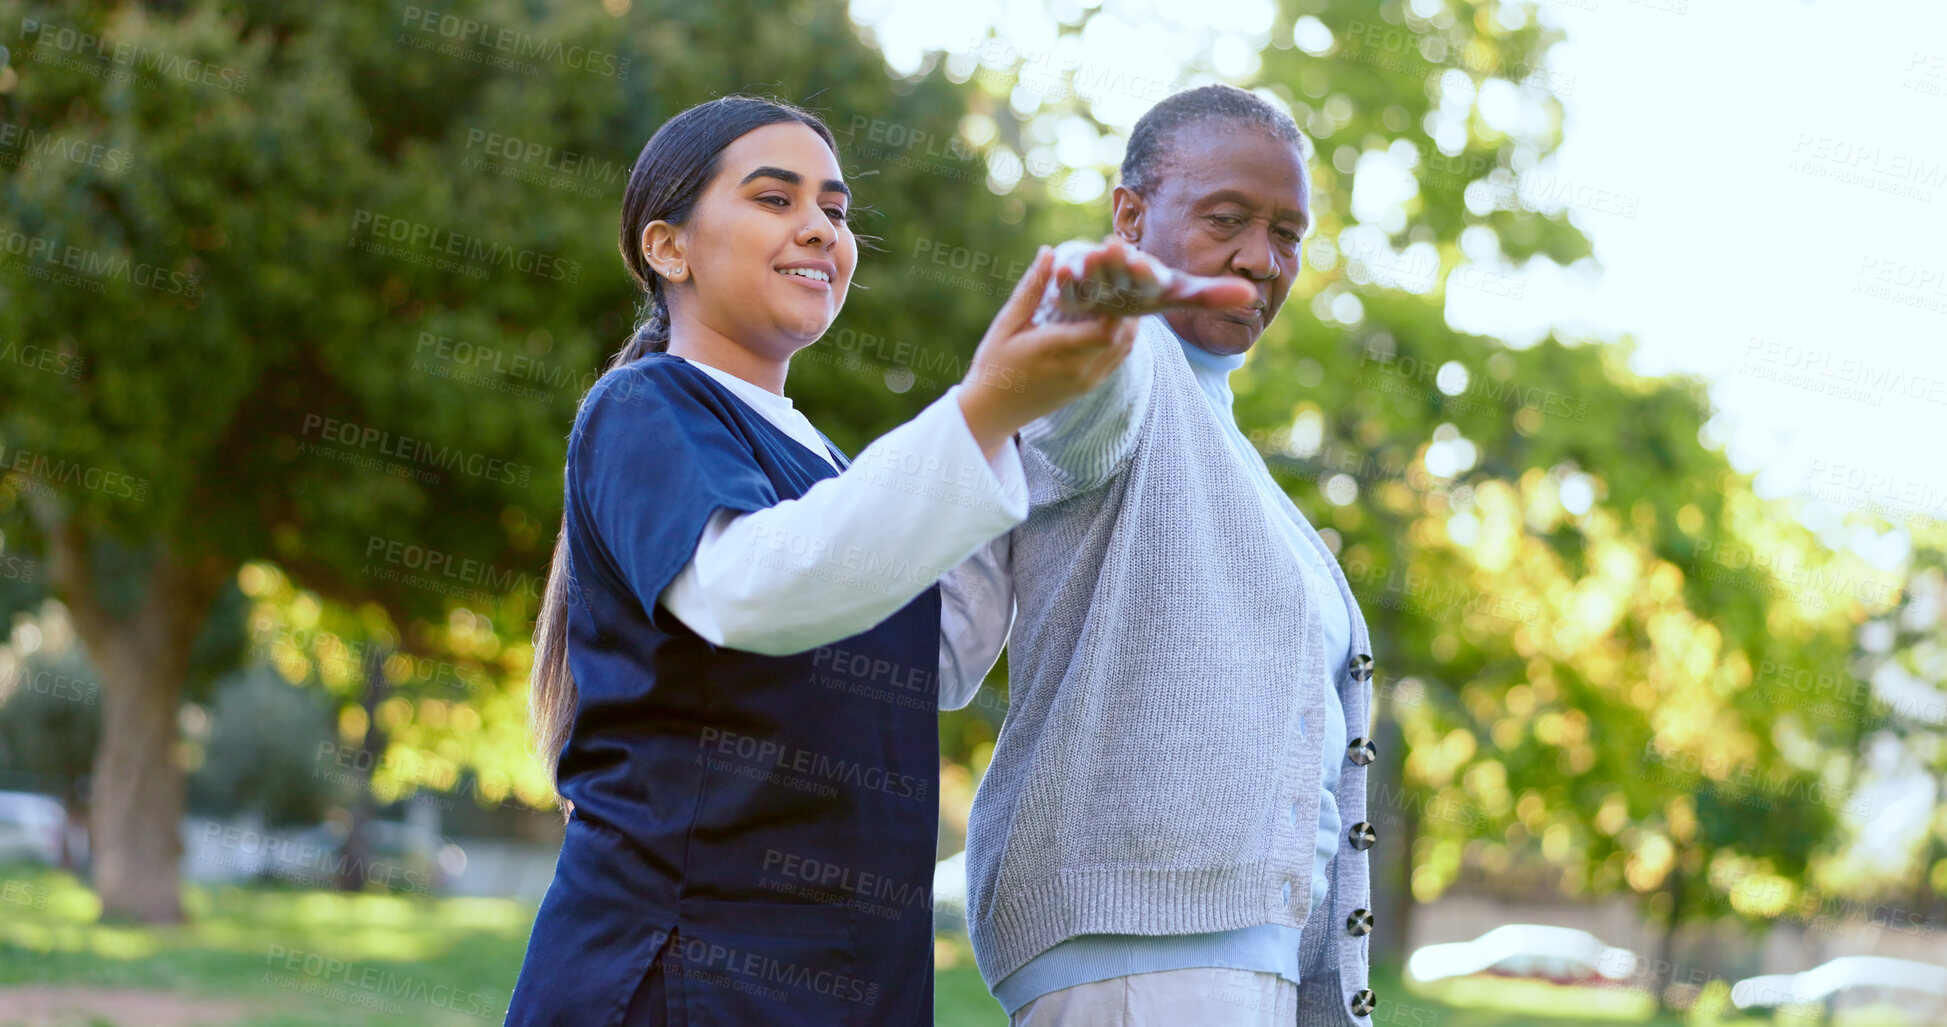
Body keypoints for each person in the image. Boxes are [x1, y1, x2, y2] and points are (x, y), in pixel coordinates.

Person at [504, 94, 1248, 1026]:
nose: (819, 228)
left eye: (837, 210)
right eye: (775, 200)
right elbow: (756, 590)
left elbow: (938, 654)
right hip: (684, 982)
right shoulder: (646, 407)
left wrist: (1046, 410)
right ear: (668, 247)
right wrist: (983, 406)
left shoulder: (828, 466)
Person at [960, 84, 1383, 1026]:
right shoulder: (1125, 364)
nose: (1258, 259)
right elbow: (1079, 411)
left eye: (1287, 234)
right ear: (1130, 214)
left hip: (1237, 965)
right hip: (1142, 963)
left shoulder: (1227, 444)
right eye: (1226, 219)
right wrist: (1101, 301)